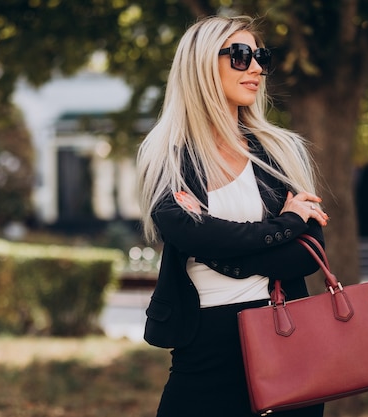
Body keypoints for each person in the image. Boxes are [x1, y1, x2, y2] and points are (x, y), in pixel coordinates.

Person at [136, 15, 330, 417]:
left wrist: (219, 251)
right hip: (203, 345)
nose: (257, 67)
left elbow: (308, 251)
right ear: (203, 65)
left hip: (284, 333)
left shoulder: (281, 150)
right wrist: (287, 224)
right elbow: (188, 232)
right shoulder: (168, 156)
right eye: (241, 56)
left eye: (260, 56)